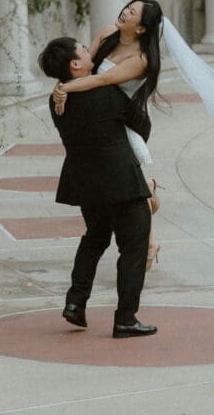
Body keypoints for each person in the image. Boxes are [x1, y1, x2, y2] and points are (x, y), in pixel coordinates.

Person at [38, 36, 157, 339]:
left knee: (95, 239)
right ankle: (126, 319)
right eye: (82, 49)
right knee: (133, 247)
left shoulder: (57, 99)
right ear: (76, 64)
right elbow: (142, 125)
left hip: (86, 181)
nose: (88, 49)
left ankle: (76, 302)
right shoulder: (106, 91)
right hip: (121, 180)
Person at [53, 0, 164, 268]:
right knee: (126, 187)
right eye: (127, 6)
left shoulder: (141, 59)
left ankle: (147, 225)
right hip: (102, 116)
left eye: (132, 12)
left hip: (126, 120)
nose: (124, 11)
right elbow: (82, 66)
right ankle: (147, 204)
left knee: (129, 181)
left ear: (140, 28)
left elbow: (102, 79)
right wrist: (62, 84)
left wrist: (65, 90)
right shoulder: (106, 34)